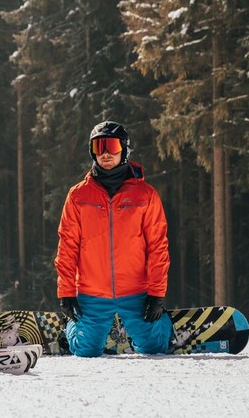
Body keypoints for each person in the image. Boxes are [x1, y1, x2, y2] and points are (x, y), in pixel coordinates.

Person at [55, 121, 173, 357]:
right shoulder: (78, 195)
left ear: (124, 150)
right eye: (99, 147)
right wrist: (66, 292)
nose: (106, 153)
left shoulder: (145, 195)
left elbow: (158, 247)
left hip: (136, 292)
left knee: (154, 348)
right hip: (93, 292)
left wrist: (156, 293)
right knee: (85, 351)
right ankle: (72, 327)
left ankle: (162, 323)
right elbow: (67, 246)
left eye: (112, 146)